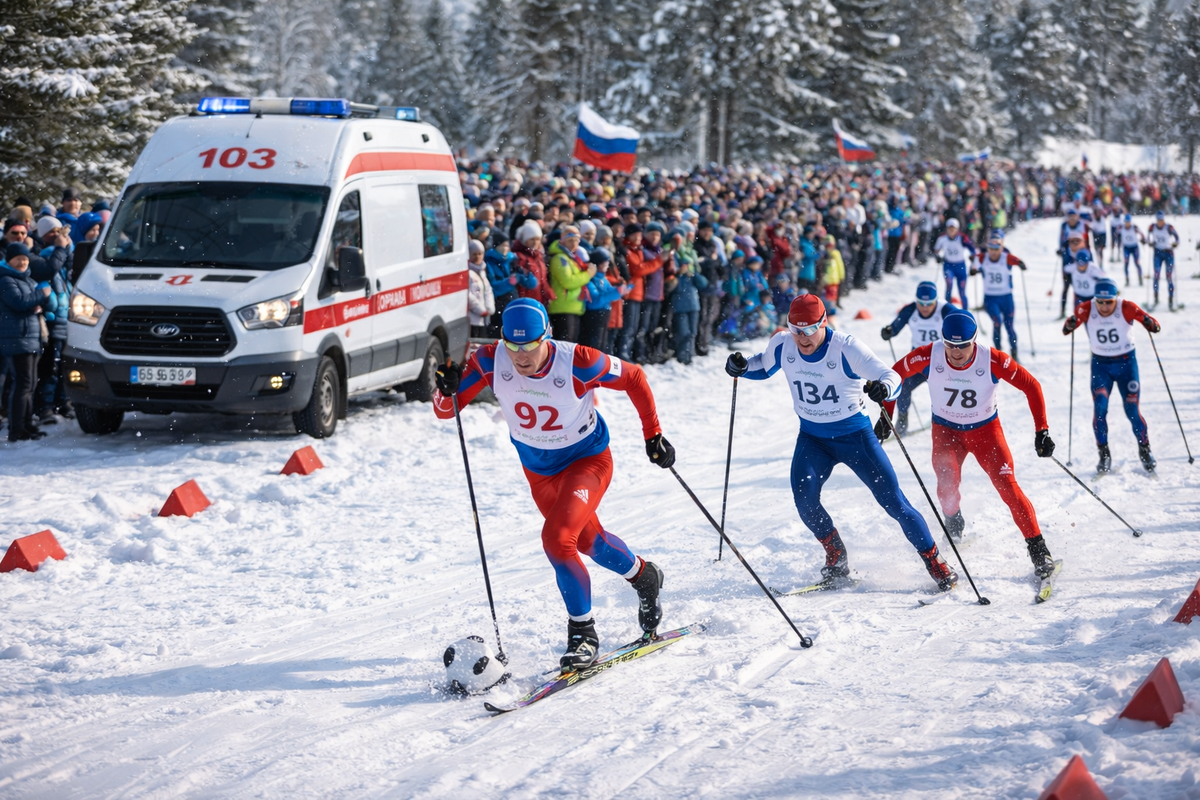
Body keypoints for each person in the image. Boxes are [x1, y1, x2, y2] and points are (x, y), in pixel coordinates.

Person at [432, 298, 675, 669]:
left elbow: (634, 377)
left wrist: (653, 434)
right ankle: (644, 576)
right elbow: (445, 411)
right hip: (539, 472)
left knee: (557, 540)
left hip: (586, 461)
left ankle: (583, 634)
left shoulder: (578, 360)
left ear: (546, 336)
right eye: (513, 346)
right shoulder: (489, 359)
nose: (521, 356)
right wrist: (445, 388)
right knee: (588, 541)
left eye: (530, 345)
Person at [725, 293, 958, 592]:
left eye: (809, 330)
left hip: (855, 437)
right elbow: (762, 366)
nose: (803, 338)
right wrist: (741, 367)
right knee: (804, 499)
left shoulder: (845, 347)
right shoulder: (783, 344)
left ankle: (934, 560)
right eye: (796, 330)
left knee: (893, 501)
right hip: (813, 438)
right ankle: (836, 553)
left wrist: (883, 389)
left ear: (823, 323)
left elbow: (892, 377)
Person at [880, 310, 1058, 579]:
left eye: (963, 345)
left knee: (1008, 488)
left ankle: (1039, 550)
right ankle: (954, 521)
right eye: (950, 345)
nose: (956, 352)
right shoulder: (930, 354)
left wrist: (1041, 430)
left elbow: (1031, 386)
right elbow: (895, 374)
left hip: (985, 432)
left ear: (974, 341)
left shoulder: (993, 359)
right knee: (946, 488)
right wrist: (887, 413)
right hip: (946, 431)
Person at [1062, 278, 1161, 473]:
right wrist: (1071, 323)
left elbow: (1154, 324)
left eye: (1109, 302)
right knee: (1100, 409)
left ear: (1116, 299)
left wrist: (1150, 324)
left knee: (1132, 411)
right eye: (1100, 301)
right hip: (1101, 366)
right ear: (1095, 299)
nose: (1105, 306)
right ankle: (1104, 454)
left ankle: (1145, 448)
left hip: (1126, 364)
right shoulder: (1086, 308)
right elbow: (1066, 329)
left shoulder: (1126, 307)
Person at [880, 280, 953, 435]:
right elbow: (895, 327)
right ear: (916, 300)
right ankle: (902, 419)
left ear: (936, 300)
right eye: (921, 303)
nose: (925, 307)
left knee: (946, 391)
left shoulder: (945, 309)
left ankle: (948, 421)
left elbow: (961, 321)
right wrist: (888, 331)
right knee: (903, 385)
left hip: (942, 360)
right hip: (919, 360)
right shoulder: (910, 310)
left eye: (929, 303)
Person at [1, 242, 52, 441]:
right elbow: (19, 302)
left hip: (31, 337)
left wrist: (39, 301)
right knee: (22, 384)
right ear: (9, 260)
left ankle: (28, 424)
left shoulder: (26, 279)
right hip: (17, 338)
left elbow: (30, 302)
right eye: (18, 259)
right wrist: (41, 295)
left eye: (25, 258)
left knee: (30, 384)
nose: (22, 262)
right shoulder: (6, 280)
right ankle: (16, 428)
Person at [970, 230, 1026, 359]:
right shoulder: (983, 257)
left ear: (1002, 247)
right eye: (990, 248)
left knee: (1010, 327)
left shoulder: (1006, 257)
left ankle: (1014, 353)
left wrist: (1021, 264)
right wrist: (973, 270)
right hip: (991, 298)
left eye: (997, 248)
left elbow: (1018, 261)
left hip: (1006, 297)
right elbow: (974, 264)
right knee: (997, 322)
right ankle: (998, 355)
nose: (993, 251)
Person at [546, 225, 594, 343]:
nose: (574, 243)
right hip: (563, 307)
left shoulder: (572, 257)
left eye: (576, 240)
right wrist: (588, 274)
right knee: (565, 344)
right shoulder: (559, 258)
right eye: (570, 240)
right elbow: (568, 281)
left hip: (572, 306)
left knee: (571, 344)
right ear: (562, 240)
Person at [933, 218, 975, 306]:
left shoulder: (962, 237)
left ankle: (965, 312)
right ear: (947, 229)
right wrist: (937, 257)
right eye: (949, 228)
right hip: (948, 265)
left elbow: (972, 248)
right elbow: (936, 250)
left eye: (953, 229)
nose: (951, 231)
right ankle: (948, 310)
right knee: (949, 285)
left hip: (960, 266)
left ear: (957, 229)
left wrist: (973, 258)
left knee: (962, 291)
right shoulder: (942, 238)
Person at [1058, 208, 1090, 318]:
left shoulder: (1083, 225)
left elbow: (1087, 241)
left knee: (1079, 286)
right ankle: (1062, 311)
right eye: (1070, 218)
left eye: (1074, 217)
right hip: (1067, 258)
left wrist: (1088, 256)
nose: (1072, 220)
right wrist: (1061, 249)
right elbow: (1061, 240)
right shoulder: (1064, 226)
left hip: (1080, 258)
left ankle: (1079, 312)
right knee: (1066, 286)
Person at [1145, 211, 1179, 310]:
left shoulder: (1169, 227)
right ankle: (1155, 298)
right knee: (1156, 276)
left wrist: (1175, 243)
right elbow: (1148, 238)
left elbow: (1177, 237)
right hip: (1158, 253)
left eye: (1162, 220)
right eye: (1159, 220)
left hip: (1168, 253)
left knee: (1169, 276)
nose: (1160, 222)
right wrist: (1150, 243)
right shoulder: (1152, 227)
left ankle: (1171, 300)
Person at [1064, 232, 1107, 308]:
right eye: (1079, 264)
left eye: (1083, 264)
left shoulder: (1092, 268)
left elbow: (1104, 277)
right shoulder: (1073, 267)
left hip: (1092, 296)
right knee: (1078, 314)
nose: (1081, 266)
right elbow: (1066, 269)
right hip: (1079, 296)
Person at [466, 240, 495, 339]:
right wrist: (480, 310)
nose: (477, 257)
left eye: (480, 254)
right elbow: (468, 295)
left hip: (484, 320)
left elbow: (488, 291)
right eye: (474, 254)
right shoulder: (468, 273)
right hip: (473, 320)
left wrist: (490, 308)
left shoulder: (482, 272)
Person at [1117, 214, 1145, 287]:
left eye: (1128, 222)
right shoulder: (1121, 227)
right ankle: (1127, 280)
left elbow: (1142, 234)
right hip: (1126, 247)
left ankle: (1140, 278)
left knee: (1137, 262)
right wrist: (1118, 240)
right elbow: (1116, 234)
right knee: (1126, 263)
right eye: (1126, 222)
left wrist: (1143, 240)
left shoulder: (1134, 227)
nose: (1127, 223)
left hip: (1134, 247)